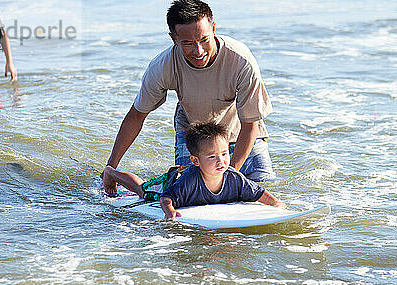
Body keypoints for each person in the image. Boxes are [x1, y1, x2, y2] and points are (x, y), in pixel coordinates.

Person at [103, 0, 275, 194]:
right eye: (187, 43)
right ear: (173, 39)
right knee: (188, 192)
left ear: (214, 28)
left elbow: (251, 124)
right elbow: (136, 116)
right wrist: (111, 166)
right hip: (194, 134)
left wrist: (231, 175)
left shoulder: (241, 61)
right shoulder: (162, 67)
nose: (198, 51)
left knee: (265, 187)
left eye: (204, 39)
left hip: (241, 132)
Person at [103, 122, 283, 221]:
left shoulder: (234, 178)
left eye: (224, 153)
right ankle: (111, 172)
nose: (221, 161)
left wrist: (277, 206)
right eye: (212, 157)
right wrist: (169, 212)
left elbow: (259, 193)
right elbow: (166, 198)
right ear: (195, 161)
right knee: (143, 190)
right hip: (172, 181)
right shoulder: (189, 181)